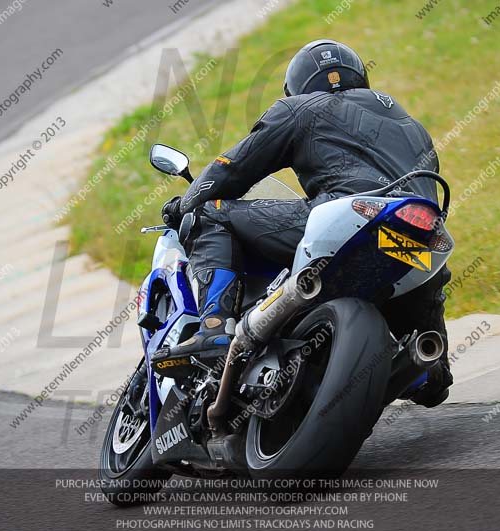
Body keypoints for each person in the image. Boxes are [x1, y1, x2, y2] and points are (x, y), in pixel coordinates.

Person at [160, 39, 452, 407]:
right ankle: (425, 363)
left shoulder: (299, 108)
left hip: (349, 216)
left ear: (296, 86)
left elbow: (231, 170)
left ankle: (215, 329)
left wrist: (184, 204)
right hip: (416, 235)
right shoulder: (412, 126)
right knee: (433, 380)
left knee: (212, 212)